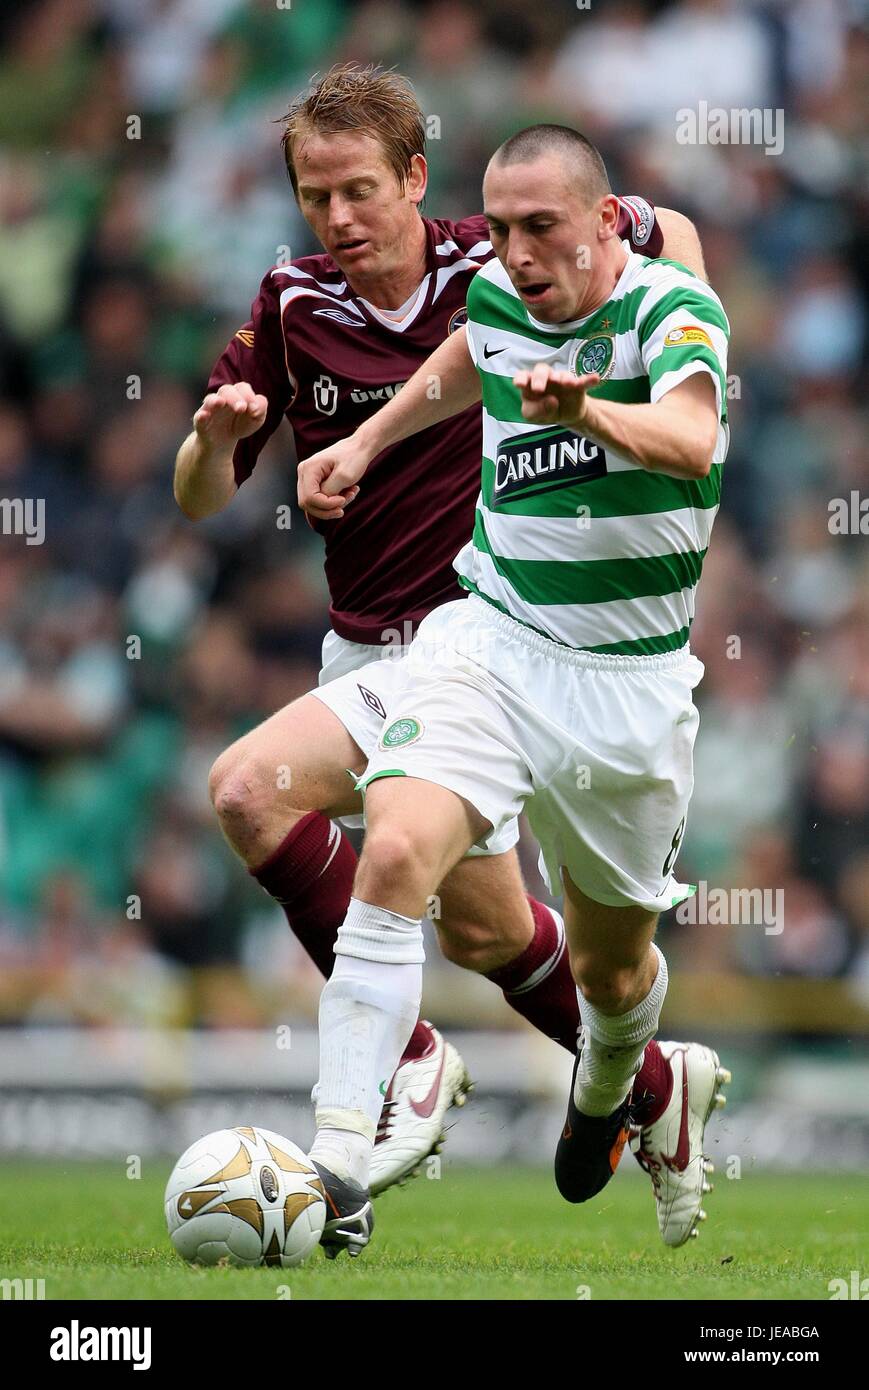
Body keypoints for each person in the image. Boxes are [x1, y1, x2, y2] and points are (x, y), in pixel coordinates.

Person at [173, 63, 708, 1202]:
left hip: (486, 634)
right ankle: (608, 1087)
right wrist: (219, 439)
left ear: (414, 178)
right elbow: (197, 496)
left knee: (260, 796)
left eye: (358, 190)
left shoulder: (502, 249)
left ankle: (409, 1097)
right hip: (385, 651)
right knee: (476, 931)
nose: (338, 218)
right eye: (315, 197)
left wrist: (672, 343)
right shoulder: (291, 303)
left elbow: (668, 244)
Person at [294, 122, 731, 1257]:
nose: (515, 251)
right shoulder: (494, 298)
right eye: (496, 229)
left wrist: (582, 409)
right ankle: (334, 1160)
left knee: (612, 966)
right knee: (394, 850)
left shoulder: (669, 311)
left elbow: (690, 437)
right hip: (490, 639)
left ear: (605, 221)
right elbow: (461, 363)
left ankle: (618, 1092)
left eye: (540, 226)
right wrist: (373, 441)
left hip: (625, 692)